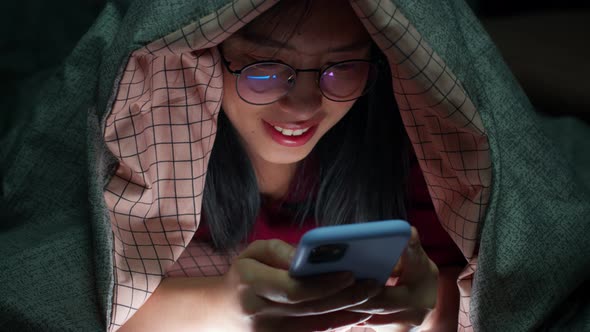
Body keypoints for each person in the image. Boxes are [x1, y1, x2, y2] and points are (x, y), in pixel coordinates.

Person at [2, 0, 589, 331]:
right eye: (264, 68)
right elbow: (61, 292)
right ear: (203, 62)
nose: (304, 104)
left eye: (340, 67)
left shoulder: (420, 154)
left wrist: (427, 304)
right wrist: (232, 302)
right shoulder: (144, 150)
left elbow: (513, 280)